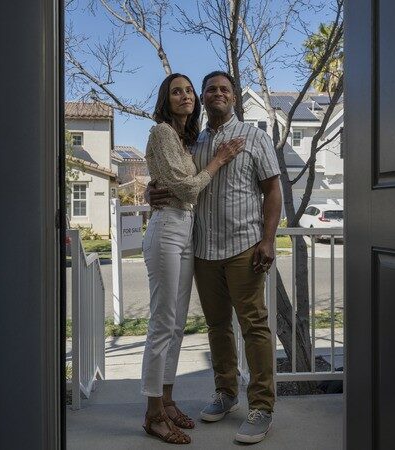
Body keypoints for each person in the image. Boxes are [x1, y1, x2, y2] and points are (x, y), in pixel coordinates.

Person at [147, 70, 282, 444]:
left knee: (254, 326)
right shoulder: (196, 141)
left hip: (244, 247)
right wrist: (150, 190)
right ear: (203, 100)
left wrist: (268, 240)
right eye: (210, 90)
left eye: (224, 88)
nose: (216, 93)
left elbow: (273, 190)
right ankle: (225, 392)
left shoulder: (254, 137)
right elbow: (179, 178)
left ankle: (262, 406)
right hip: (203, 249)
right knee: (217, 327)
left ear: (233, 97)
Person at [140, 72, 245, 445]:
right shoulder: (162, 132)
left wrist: (159, 189)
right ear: (165, 100)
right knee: (162, 323)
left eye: (187, 91)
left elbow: (179, 186)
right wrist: (217, 161)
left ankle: (167, 401)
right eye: (176, 92)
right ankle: (153, 413)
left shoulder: (188, 140)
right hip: (167, 229)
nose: (184, 96)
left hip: (186, 229)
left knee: (178, 323)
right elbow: (186, 187)